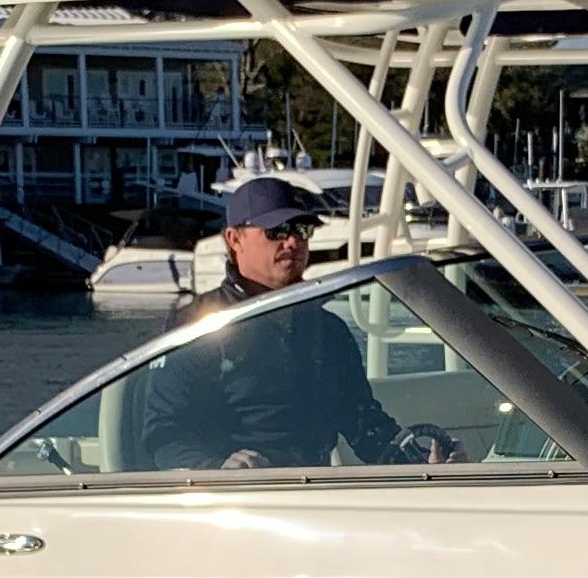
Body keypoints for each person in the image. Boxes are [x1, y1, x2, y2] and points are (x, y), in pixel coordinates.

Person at [134, 175, 441, 470]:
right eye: (277, 231)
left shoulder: (329, 331)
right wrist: (217, 469)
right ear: (234, 238)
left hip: (311, 496)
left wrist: (425, 464)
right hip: (232, 501)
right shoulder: (197, 325)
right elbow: (164, 435)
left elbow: (364, 426)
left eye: (302, 229)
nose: (293, 242)